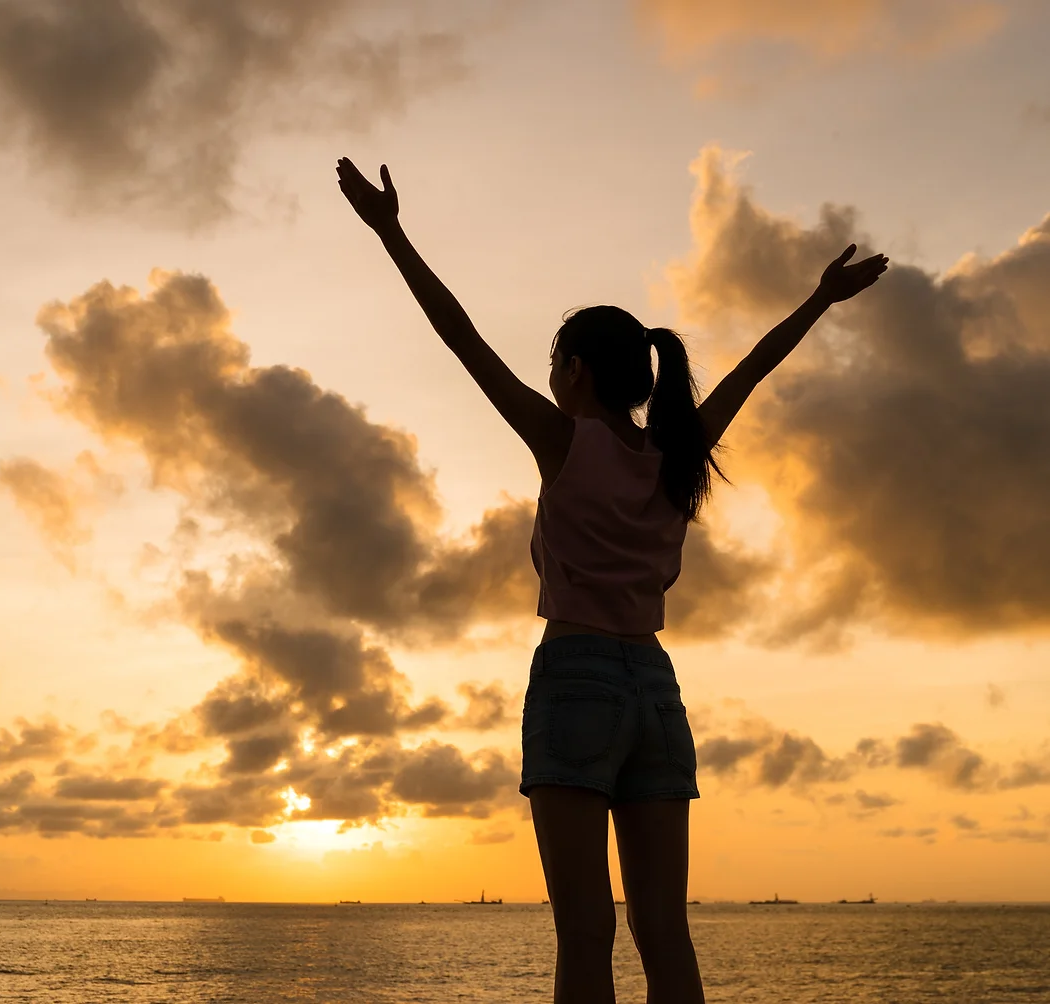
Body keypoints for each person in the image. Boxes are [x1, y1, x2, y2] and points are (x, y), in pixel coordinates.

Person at [336, 157, 887, 1004]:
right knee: (665, 933)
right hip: (658, 693)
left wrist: (391, 234)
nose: (550, 376)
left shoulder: (564, 441)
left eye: (556, 362)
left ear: (577, 371)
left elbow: (460, 339)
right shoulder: (677, 452)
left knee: (586, 936)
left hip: (578, 677)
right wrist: (818, 299)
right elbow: (754, 368)